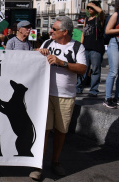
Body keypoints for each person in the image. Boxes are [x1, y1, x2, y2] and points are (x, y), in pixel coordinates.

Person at [31, 16, 87, 180]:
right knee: (44, 131)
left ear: (65, 32)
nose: (51, 31)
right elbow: (33, 58)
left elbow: (83, 68)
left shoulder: (78, 47)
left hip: (66, 96)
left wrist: (62, 63)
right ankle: (38, 165)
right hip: (45, 94)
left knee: (61, 131)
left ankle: (55, 161)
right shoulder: (47, 43)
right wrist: (38, 52)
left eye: (54, 29)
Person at [76, 1, 105, 97]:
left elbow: (100, 11)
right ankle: (78, 88)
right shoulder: (86, 19)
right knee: (83, 69)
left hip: (96, 48)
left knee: (95, 70)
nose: (89, 9)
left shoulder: (99, 19)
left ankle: (93, 90)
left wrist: (92, 4)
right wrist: (80, 46)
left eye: (91, 7)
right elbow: (83, 33)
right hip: (85, 47)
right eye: (88, 7)